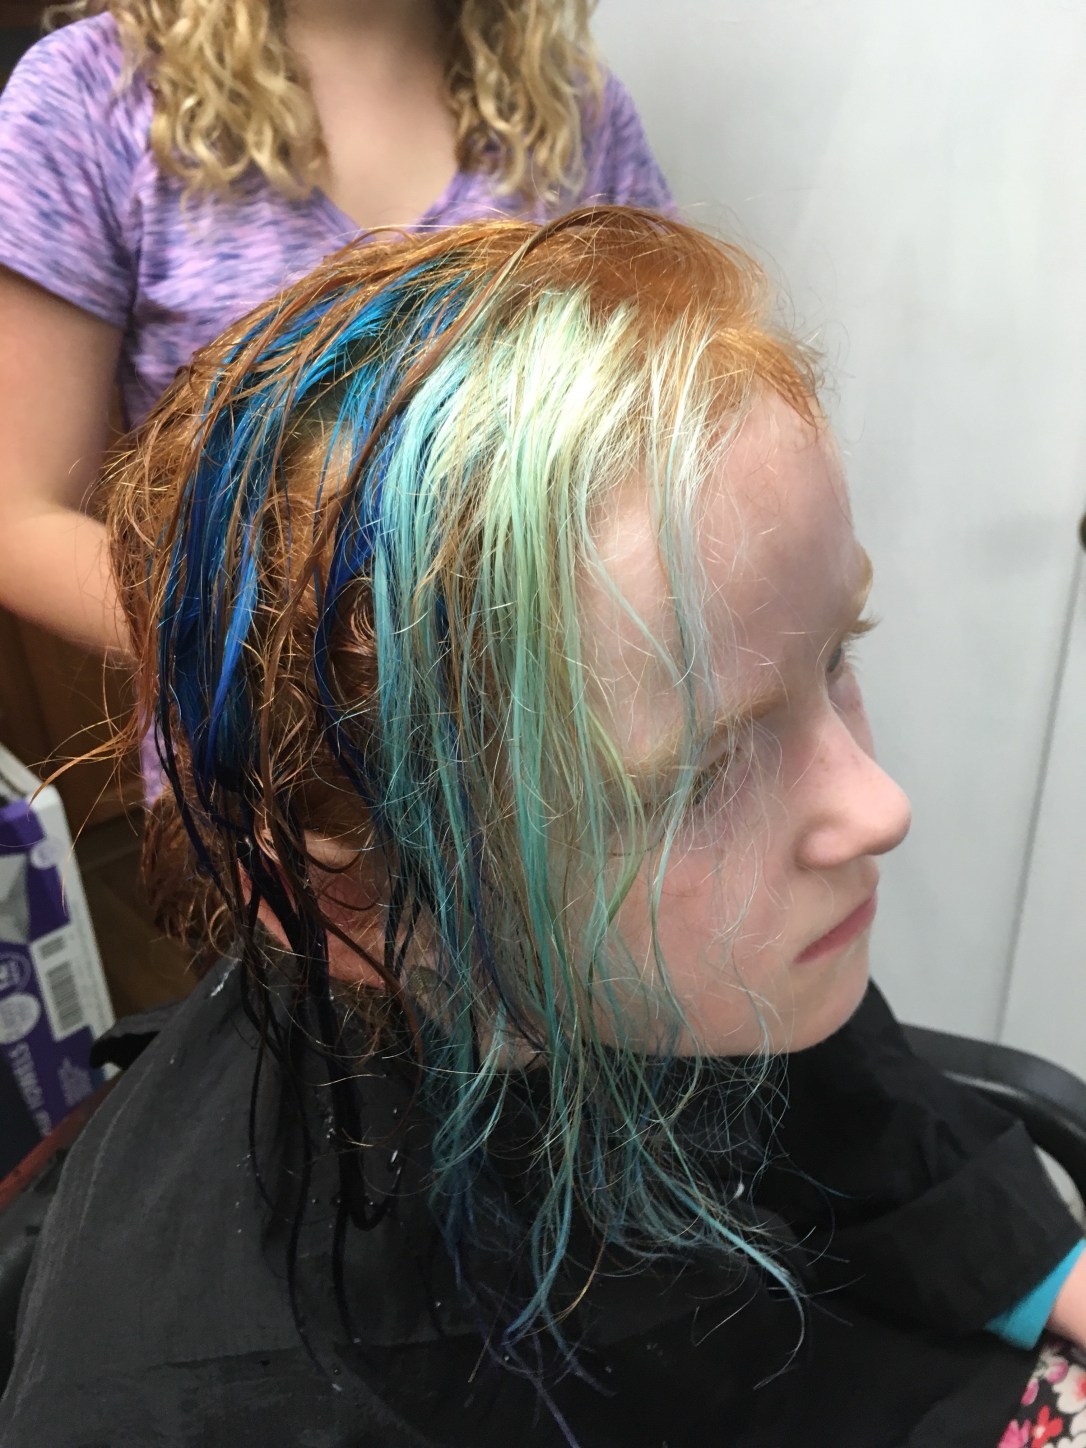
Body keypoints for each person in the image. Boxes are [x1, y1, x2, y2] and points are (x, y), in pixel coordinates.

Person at [2, 207, 1084, 1448]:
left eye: (836, 654)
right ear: (361, 896)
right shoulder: (215, 1390)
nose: (878, 807)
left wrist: (1043, 1268)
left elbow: (865, 1110)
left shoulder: (716, 943)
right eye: (702, 774)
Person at [0, 0, 671, 675]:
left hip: (544, 705)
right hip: (264, 732)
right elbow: (19, 518)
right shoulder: (94, 93)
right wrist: (290, 672)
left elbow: (664, 432)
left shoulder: (572, 108)